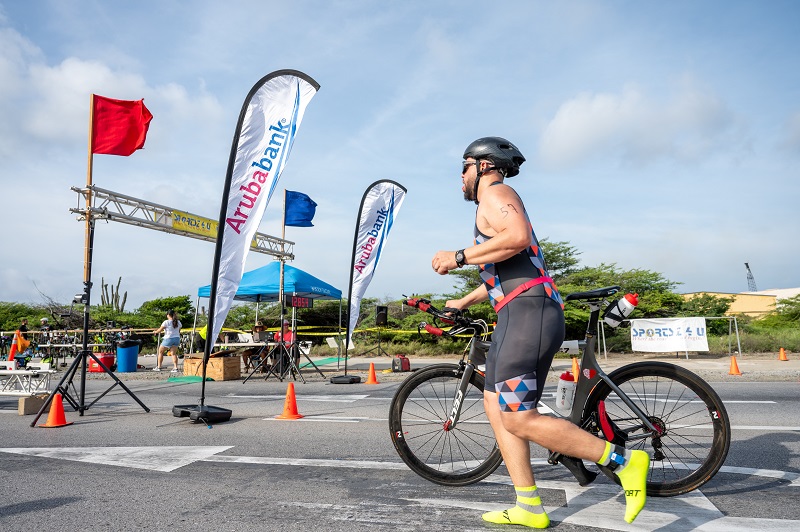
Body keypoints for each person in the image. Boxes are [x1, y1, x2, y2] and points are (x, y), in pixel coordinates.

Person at [430, 137, 649, 528]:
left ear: (483, 165)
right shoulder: (493, 202)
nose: (459, 177)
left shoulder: (495, 194)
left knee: (518, 417)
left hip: (528, 315)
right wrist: (463, 301)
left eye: (462, 168)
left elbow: (517, 238)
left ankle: (625, 461)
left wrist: (458, 256)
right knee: (495, 406)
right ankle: (529, 505)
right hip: (518, 311)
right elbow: (507, 266)